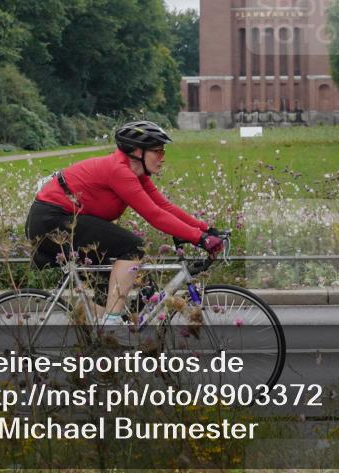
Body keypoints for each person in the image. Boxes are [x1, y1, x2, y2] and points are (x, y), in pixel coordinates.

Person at [25, 120, 224, 326]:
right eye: (158, 151)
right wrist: (199, 238)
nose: (163, 158)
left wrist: (206, 230)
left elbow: (164, 206)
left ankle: (95, 331)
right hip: (51, 222)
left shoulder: (136, 174)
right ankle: (112, 321)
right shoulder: (119, 171)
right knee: (133, 247)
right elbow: (154, 215)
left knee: (108, 280)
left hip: (65, 219)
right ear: (137, 151)